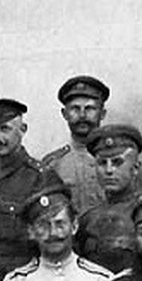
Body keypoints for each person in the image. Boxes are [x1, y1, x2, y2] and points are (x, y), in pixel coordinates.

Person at [0, 98, 64, 277]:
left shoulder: (40, 177)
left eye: (5, 129)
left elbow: (55, 238)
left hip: (22, 278)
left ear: (22, 130)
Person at [75, 124, 142, 273]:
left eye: (117, 162)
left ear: (136, 168)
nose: (109, 170)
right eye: (102, 163)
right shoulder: (87, 221)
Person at [42, 76, 109, 213]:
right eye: (75, 109)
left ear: (102, 114)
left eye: (90, 109)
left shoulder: (115, 159)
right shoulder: (53, 164)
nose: (82, 115)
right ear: (64, 114)